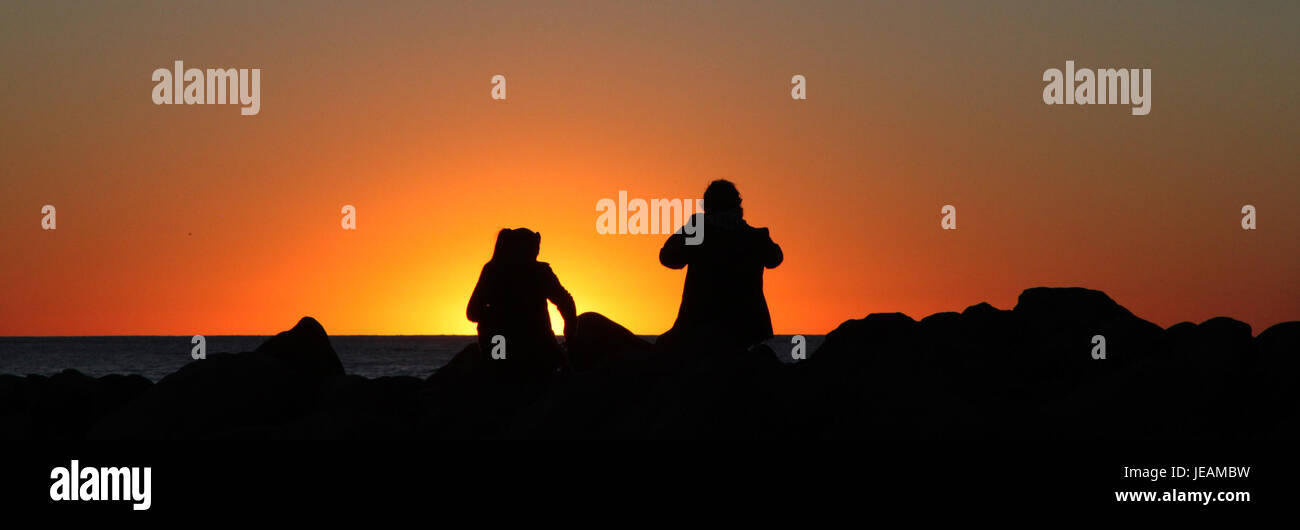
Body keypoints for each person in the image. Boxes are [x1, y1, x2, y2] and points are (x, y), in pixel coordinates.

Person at [658, 179, 783, 352]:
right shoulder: (755, 237)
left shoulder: (700, 231)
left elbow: (667, 257)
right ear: (738, 206)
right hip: (746, 329)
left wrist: (693, 226)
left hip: (698, 326)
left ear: (708, 206)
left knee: (662, 351)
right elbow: (775, 258)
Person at [467, 228, 577, 378]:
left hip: (499, 347)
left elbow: (472, 313)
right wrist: (570, 335)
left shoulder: (492, 270)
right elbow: (566, 303)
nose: (537, 253)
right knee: (567, 374)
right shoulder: (540, 272)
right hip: (538, 347)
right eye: (535, 248)